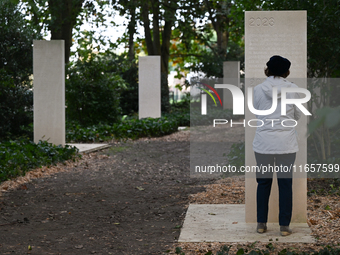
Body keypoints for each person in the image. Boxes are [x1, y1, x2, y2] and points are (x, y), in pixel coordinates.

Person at [252, 55, 302, 236]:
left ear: (268, 69)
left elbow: (257, 112)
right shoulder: (294, 89)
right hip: (286, 144)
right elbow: (297, 114)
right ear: (286, 71)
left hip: (263, 143)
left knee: (263, 183)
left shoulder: (258, 89)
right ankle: (284, 227)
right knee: (285, 183)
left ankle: (261, 224)